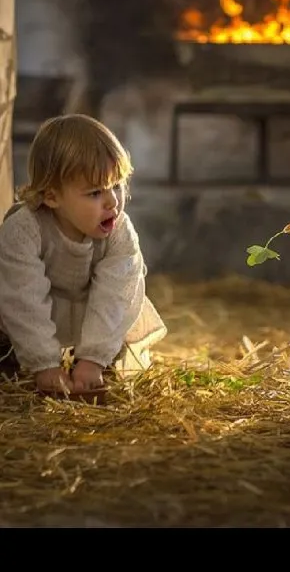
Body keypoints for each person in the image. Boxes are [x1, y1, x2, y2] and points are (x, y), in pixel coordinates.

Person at [0, 114, 167, 394]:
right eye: (94, 193)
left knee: (109, 373)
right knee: (11, 372)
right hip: (28, 314)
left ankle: (97, 365)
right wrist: (44, 364)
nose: (113, 201)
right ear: (52, 197)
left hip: (94, 311)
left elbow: (117, 294)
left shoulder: (120, 230)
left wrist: (93, 358)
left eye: (117, 185)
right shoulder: (24, 229)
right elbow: (22, 296)